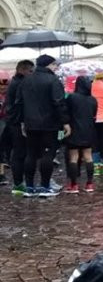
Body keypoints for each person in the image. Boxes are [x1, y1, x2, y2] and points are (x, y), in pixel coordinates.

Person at [18, 54, 70, 198]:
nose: (56, 67)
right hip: (49, 124)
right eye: (55, 65)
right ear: (49, 65)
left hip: (30, 123)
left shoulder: (26, 80)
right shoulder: (53, 80)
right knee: (48, 154)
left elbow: (20, 102)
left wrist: (22, 121)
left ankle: (29, 186)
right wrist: (65, 122)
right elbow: (59, 103)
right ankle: (45, 186)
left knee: (31, 154)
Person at [64, 76, 98, 193]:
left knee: (73, 157)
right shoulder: (93, 99)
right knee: (88, 156)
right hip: (88, 130)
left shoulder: (72, 98)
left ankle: (73, 185)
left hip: (74, 130)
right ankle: (89, 183)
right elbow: (94, 115)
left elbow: (66, 112)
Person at [6, 60, 35, 195]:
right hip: (18, 123)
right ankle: (18, 184)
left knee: (20, 153)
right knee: (20, 154)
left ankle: (19, 183)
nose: (32, 74)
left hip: (15, 122)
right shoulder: (19, 84)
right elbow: (19, 104)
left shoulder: (15, 82)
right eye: (30, 71)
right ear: (22, 70)